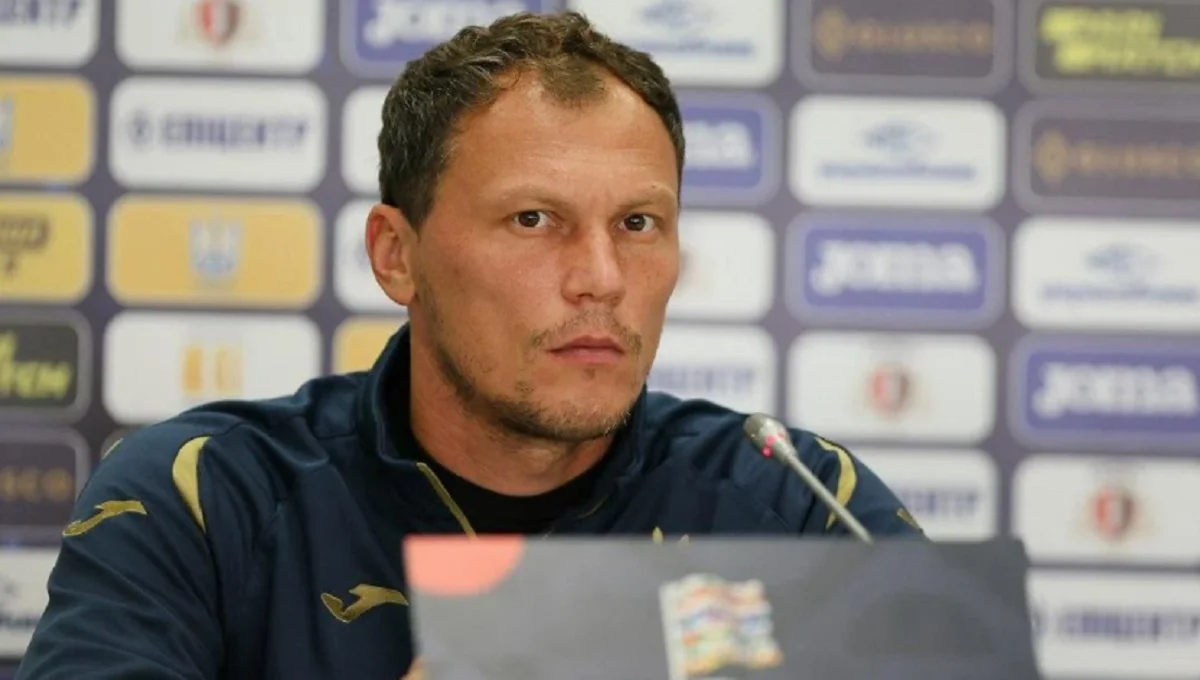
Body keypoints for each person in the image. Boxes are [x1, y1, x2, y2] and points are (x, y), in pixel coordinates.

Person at [16, 10, 922, 680]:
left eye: (638, 223)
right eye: (534, 220)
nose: (601, 277)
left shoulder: (797, 504)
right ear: (397, 255)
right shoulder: (202, 496)